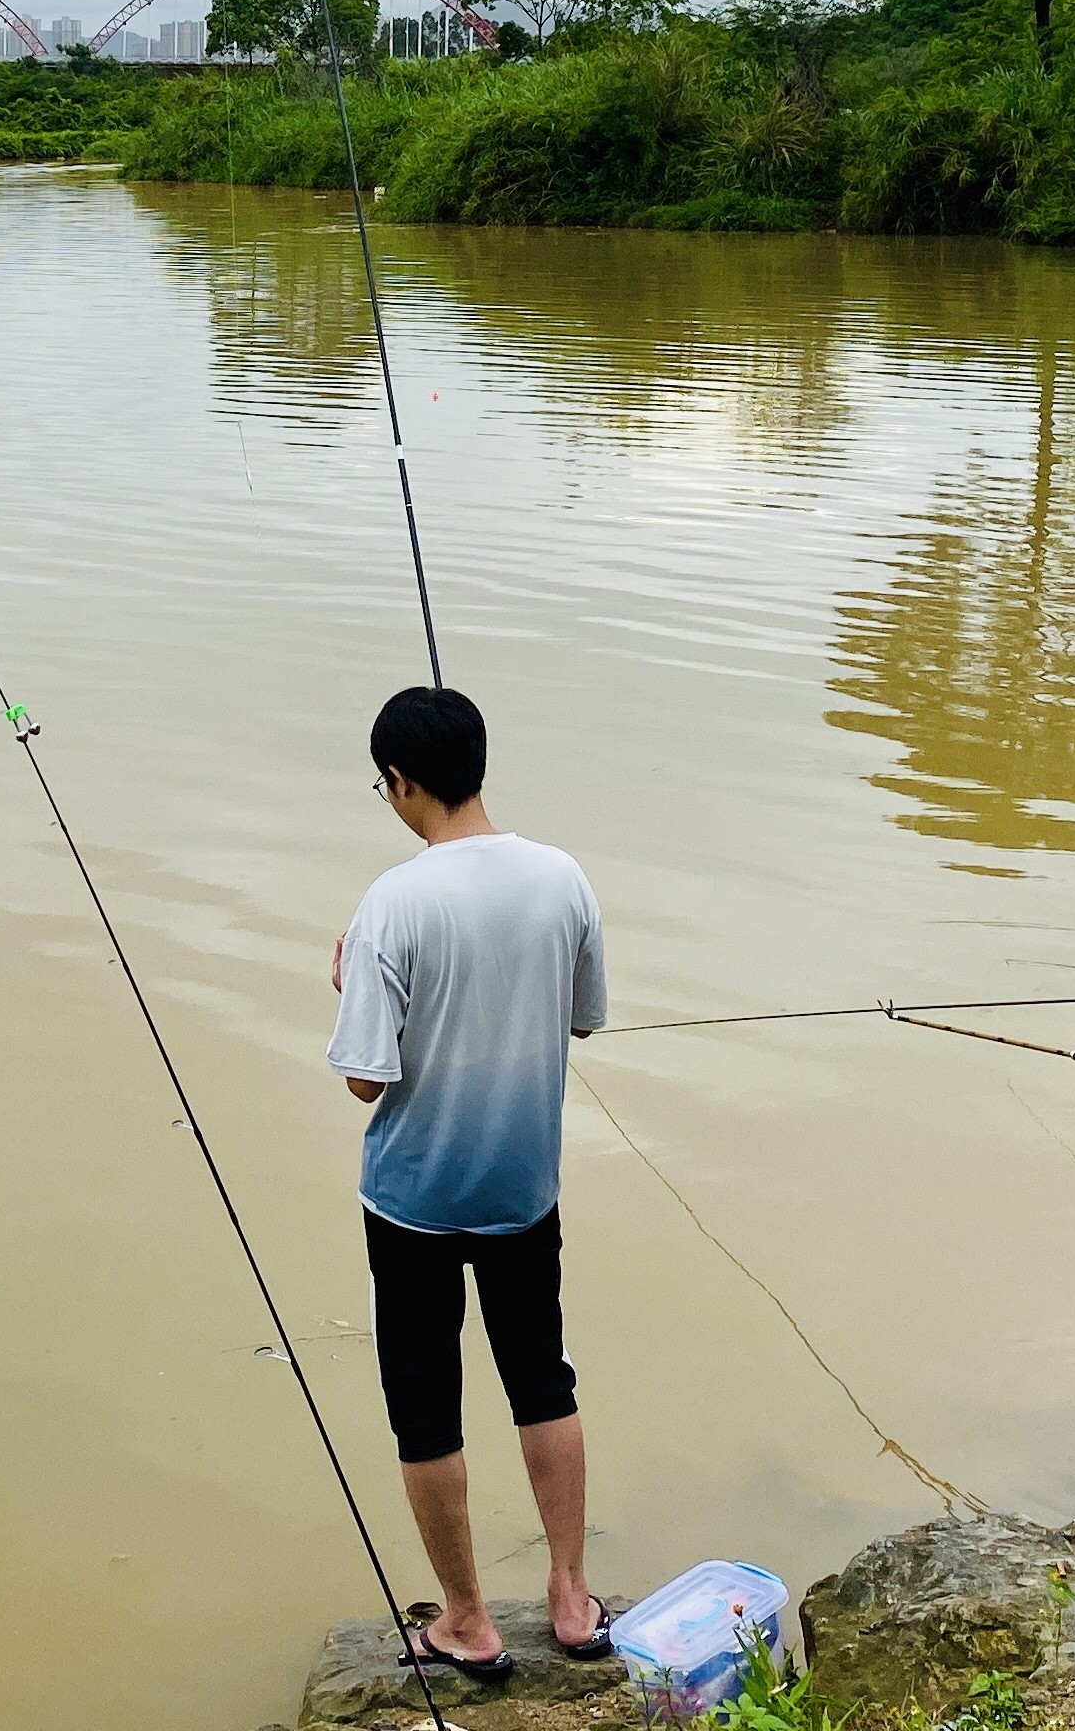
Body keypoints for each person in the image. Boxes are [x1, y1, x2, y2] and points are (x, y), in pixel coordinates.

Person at [326, 683, 611, 1684]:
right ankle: (572, 1601)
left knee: (425, 1405)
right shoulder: (563, 877)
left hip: (412, 1199)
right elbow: (582, 1017)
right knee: (544, 1380)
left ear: (403, 783)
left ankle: (467, 1620)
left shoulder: (390, 904)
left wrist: (346, 978)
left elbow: (368, 1074)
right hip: (523, 1186)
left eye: (383, 784)